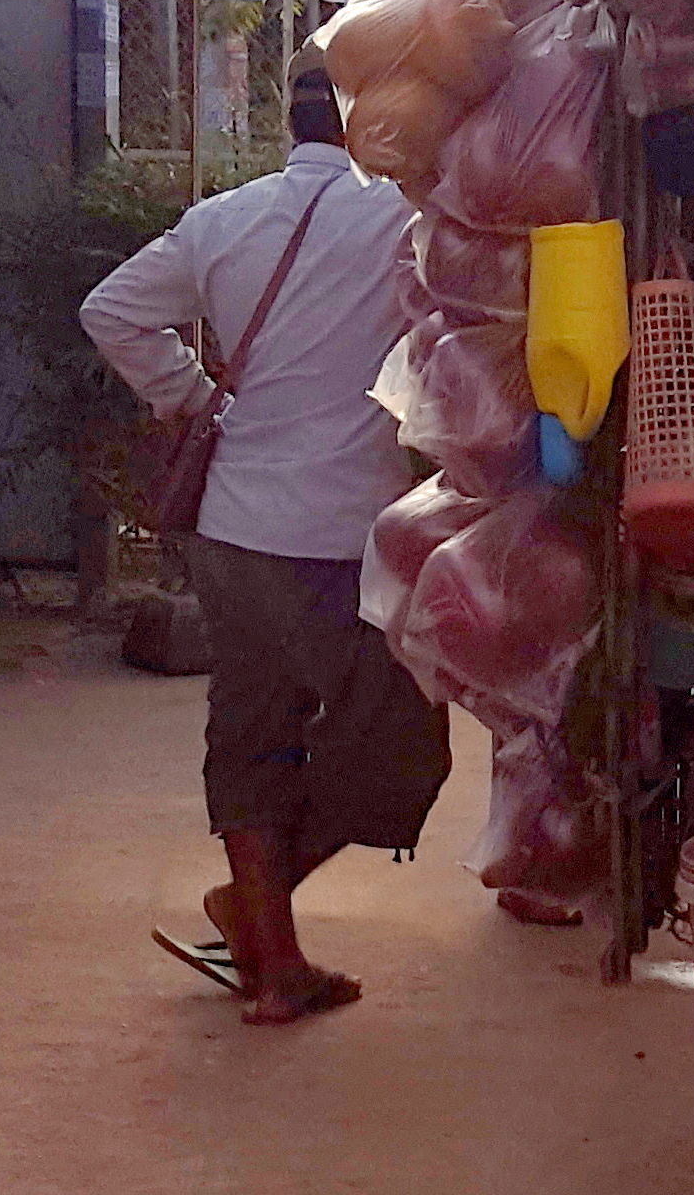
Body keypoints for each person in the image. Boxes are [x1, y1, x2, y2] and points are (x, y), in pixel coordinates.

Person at [82, 59, 448, 1025]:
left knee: (253, 731)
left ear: (287, 126)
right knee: (401, 748)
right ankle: (257, 910)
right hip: (339, 538)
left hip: (232, 530)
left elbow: (111, 309)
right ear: (376, 123)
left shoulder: (224, 219)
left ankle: (272, 959)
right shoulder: (407, 224)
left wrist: (194, 398)